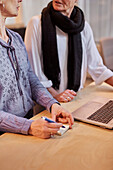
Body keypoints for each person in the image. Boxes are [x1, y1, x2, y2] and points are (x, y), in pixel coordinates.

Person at [0, 0, 74, 139]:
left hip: (30, 123)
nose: (20, 0)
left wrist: (52, 105)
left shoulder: (16, 39)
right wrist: (28, 127)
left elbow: (30, 79)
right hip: (6, 135)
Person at [25, 0, 113, 103]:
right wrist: (55, 96)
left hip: (75, 99)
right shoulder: (36, 24)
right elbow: (33, 73)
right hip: (47, 102)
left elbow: (98, 68)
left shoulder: (84, 27)